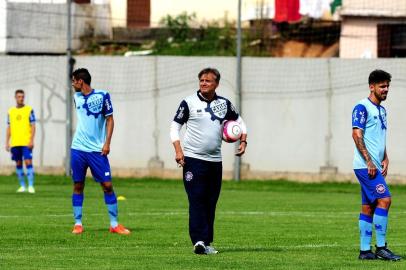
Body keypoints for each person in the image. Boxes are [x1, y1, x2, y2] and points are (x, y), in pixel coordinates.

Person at [170, 67, 247, 254]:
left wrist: (243, 140)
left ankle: (207, 242)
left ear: (216, 84)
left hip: (215, 162)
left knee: (210, 202)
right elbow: (174, 127)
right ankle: (198, 241)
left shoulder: (224, 104)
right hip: (193, 160)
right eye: (201, 80)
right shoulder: (188, 102)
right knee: (196, 199)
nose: (204, 83)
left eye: (208, 81)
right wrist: (179, 151)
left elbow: (240, 122)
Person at [70, 68, 130, 235]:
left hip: (97, 150)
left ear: (80, 81)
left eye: (74, 80)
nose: (72, 84)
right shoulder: (77, 97)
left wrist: (107, 143)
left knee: (107, 185)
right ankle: (78, 223)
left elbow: (110, 119)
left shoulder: (103, 95)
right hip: (78, 149)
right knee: (78, 185)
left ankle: (114, 224)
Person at [352, 69, 401, 261]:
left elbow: (379, 137)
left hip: (374, 165)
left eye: (387, 86)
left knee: (368, 207)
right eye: (382, 86)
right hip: (365, 166)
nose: (385, 89)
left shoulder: (382, 110)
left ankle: (365, 252)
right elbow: (357, 135)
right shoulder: (361, 107)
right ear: (371, 87)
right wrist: (369, 160)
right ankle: (381, 247)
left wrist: (385, 156)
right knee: (385, 200)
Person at [6, 89, 36, 193]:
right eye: (19, 97)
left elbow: (33, 126)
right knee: (18, 163)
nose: (21, 98)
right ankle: (22, 186)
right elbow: (9, 127)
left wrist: (31, 140)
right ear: (15, 98)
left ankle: (31, 186)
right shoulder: (11, 111)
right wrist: (7, 142)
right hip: (15, 142)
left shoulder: (29, 110)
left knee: (28, 162)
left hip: (26, 142)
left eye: (22, 97)